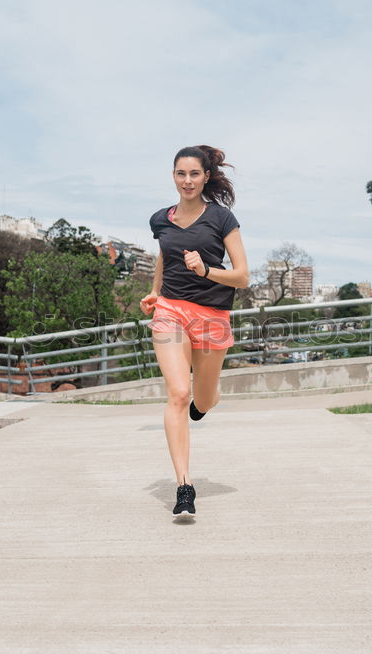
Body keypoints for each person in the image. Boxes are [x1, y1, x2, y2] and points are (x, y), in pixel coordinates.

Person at [140, 145, 249, 517]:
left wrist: (205, 270)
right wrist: (155, 292)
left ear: (206, 177)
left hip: (213, 315)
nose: (187, 181)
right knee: (178, 392)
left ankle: (206, 399)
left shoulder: (221, 218)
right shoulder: (160, 220)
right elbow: (164, 256)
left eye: (194, 174)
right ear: (173, 176)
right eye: (180, 174)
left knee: (202, 400)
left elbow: (242, 276)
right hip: (171, 312)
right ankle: (184, 485)